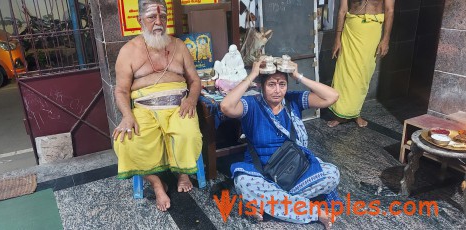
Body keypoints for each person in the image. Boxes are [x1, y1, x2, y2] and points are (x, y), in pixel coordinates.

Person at [219, 59, 341, 229]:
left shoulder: (292, 101)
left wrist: (298, 75)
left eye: (282, 84)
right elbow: (225, 106)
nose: (277, 90)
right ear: (261, 86)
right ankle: (313, 211)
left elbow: (332, 96)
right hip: (260, 171)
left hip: (292, 168)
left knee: (332, 174)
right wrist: (252, 75)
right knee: (244, 183)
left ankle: (266, 204)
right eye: (271, 84)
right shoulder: (252, 104)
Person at [113, 0, 202, 212]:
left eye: (163, 17)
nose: (159, 22)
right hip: (143, 110)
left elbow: (195, 81)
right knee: (125, 141)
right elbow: (121, 91)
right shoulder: (128, 51)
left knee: (188, 134)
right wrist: (127, 115)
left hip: (179, 106)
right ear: (139, 20)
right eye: (152, 17)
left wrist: (191, 100)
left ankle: (182, 173)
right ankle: (156, 183)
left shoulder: (179, 46)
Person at [327, 0, 395, 127]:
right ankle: (339, 115)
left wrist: (386, 39)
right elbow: (342, 10)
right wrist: (337, 39)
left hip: (372, 30)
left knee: (363, 73)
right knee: (345, 72)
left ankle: (355, 113)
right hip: (351, 29)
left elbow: (389, 10)